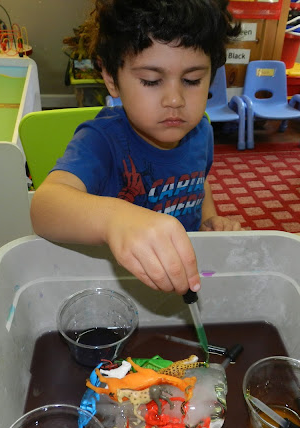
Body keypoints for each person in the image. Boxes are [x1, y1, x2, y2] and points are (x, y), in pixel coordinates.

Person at [30, 0, 242, 294]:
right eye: (151, 81)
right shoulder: (102, 140)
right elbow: (44, 206)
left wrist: (209, 220)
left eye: (192, 80)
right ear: (111, 79)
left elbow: (199, 183)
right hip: (117, 283)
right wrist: (114, 219)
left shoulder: (200, 132)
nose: (175, 99)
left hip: (179, 277)